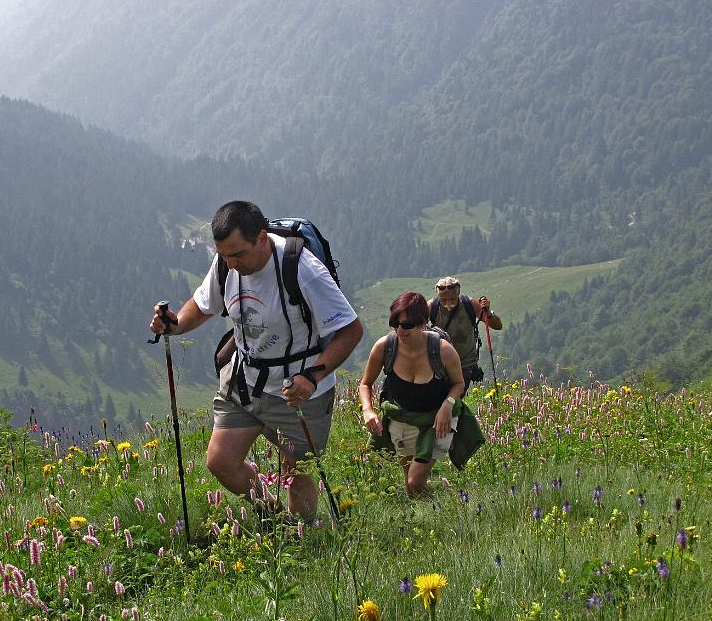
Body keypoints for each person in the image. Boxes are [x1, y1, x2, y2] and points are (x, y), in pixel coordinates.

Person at [149, 201, 363, 520]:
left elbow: (350, 330)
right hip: (244, 381)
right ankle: (276, 518)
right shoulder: (226, 263)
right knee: (220, 461)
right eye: (224, 255)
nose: (231, 263)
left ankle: (301, 538)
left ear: (262, 238)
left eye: (238, 254)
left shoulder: (302, 269)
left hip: (299, 391)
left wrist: (312, 376)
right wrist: (176, 323)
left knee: (296, 473)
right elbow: (204, 303)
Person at [359, 292, 465, 498]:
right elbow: (365, 384)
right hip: (403, 418)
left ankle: (445, 511)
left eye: (407, 325)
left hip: (437, 420)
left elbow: (459, 384)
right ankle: (438, 507)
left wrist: (447, 405)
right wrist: (368, 410)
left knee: (415, 481)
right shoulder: (385, 347)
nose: (400, 330)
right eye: (395, 324)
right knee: (411, 488)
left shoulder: (443, 351)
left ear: (423, 324)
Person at [428, 276, 502, 394]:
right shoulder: (432, 306)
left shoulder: (470, 304)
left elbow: (497, 325)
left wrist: (488, 313)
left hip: (465, 364)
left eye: (452, 299)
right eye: (443, 300)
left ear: (458, 294)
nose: (448, 304)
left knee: (455, 397)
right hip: (440, 363)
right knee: (439, 398)